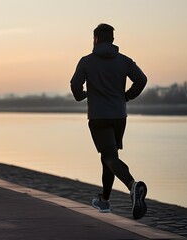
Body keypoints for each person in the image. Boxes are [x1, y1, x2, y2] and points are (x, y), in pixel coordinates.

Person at [70, 23, 148, 219]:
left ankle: (133, 185)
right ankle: (104, 201)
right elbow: (141, 80)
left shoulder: (86, 61)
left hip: (98, 116)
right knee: (109, 156)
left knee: (109, 157)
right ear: (112, 40)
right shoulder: (124, 61)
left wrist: (81, 95)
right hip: (119, 116)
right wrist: (127, 97)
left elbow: (75, 85)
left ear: (95, 39)